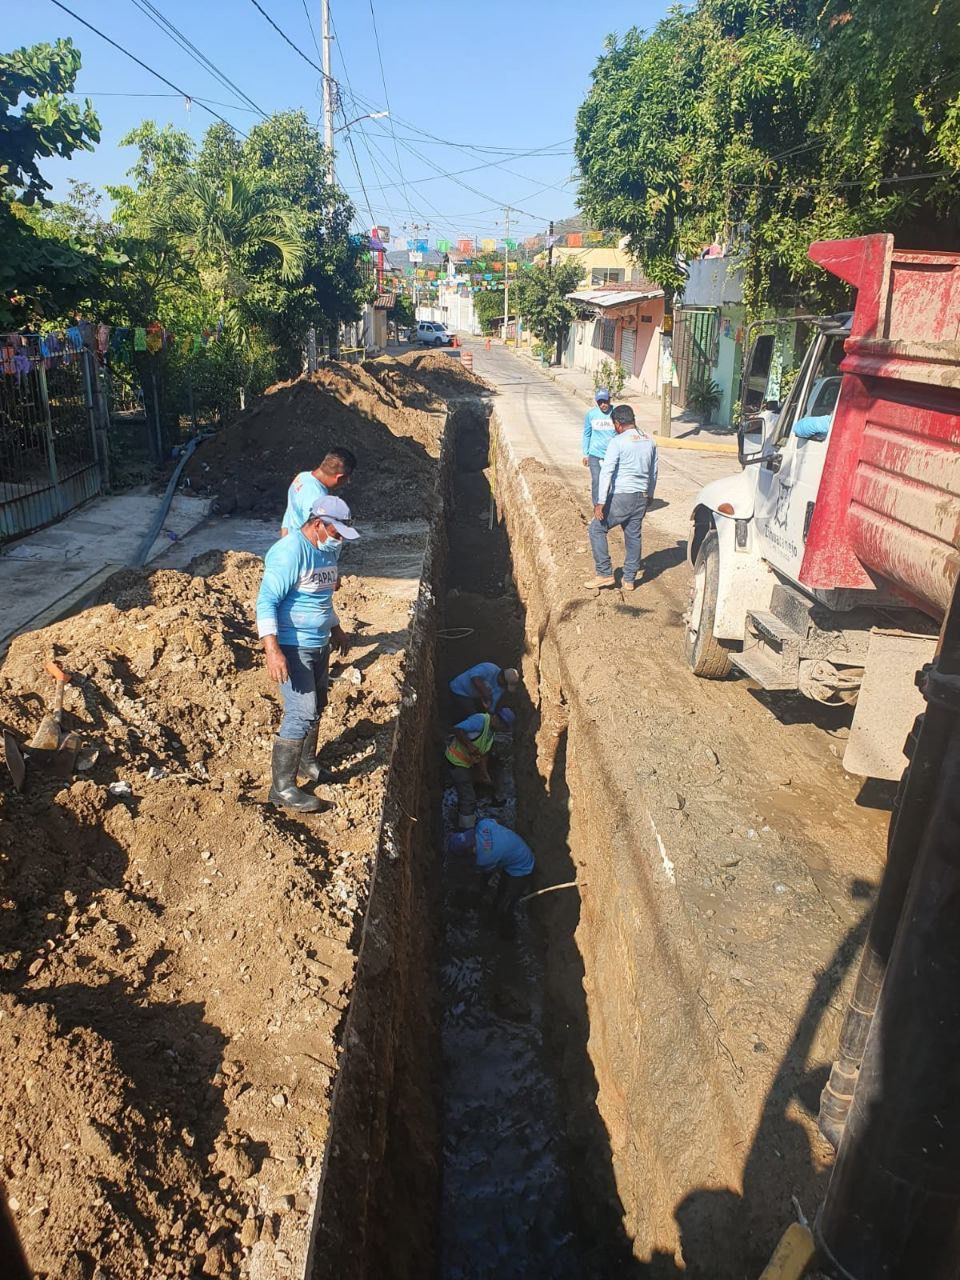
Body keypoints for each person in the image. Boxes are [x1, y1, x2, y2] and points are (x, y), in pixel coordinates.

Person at [256, 496, 359, 812]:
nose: (339, 539)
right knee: (301, 710)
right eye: (336, 532)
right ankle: (282, 789)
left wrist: (336, 626)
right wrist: (273, 651)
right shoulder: (290, 553)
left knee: (318, 705)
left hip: (318, 643)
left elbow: (320, 598)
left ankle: (307, 763)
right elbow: (266, 602)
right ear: (318, 524)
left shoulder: (327, 550)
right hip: (292, 645)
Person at [585, 403, 658, 592]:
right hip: (641, 496)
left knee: (596, 529)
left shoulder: (617, 442)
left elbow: (606, 472)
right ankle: (629, 579)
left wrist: (600, 502)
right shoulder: (649, 441)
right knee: (633, 535)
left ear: (617, 424)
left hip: (622, 497)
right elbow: (654, 472)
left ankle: (604, 573)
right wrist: (649, 495)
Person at [446, 817, 535, 934]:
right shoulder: (483, 825)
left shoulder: (484, 858)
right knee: (500, 892)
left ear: (470, 850)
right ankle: (494, 912)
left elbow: (488, 871)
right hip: (517, 850)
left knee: (505, 905)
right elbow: (494, 821)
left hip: (521, 869)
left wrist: (481, 887)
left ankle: (507, 934)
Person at [445, 707, 515, 829]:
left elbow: (483, 754)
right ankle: (465, 830)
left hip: (467, 764)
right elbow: (456, 729)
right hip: (456, 761)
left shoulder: (492, 731)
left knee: (473, 784)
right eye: (503, 727)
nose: (503, 730)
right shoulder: (480, 721)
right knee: (468, 799)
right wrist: (470, 747)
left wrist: (484, 774)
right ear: (497, 720)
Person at [279, 447, 358, 538]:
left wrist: (283, 542)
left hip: (290, 541)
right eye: (347, 478)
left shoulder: (302, 477)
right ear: (339, 477)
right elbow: (316, 535)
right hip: (303, 548)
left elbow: (289, 514)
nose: (348, 481)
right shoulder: (318, 499)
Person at [448, 662, 520, 720]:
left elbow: (492, 705)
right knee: (472, 716)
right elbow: (474, 677)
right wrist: (485, 693)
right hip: (459, 689)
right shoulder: (489, 668)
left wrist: (491, 717)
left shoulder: (501, 688)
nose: (504, 687)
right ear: (501, 678)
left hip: (471, 696)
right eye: (505, 685)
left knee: (477, 716)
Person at [582, 388, 617, 506]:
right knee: (597, 480)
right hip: (595, 454)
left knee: (611, 482)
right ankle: (597, 507)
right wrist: (585, 453)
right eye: (600, 402)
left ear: (609, 400)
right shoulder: (591, 415)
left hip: (612, 455)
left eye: (605, 401)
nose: (603, 405)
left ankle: (608, 506)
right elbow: (587, 434)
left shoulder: (616, 413)